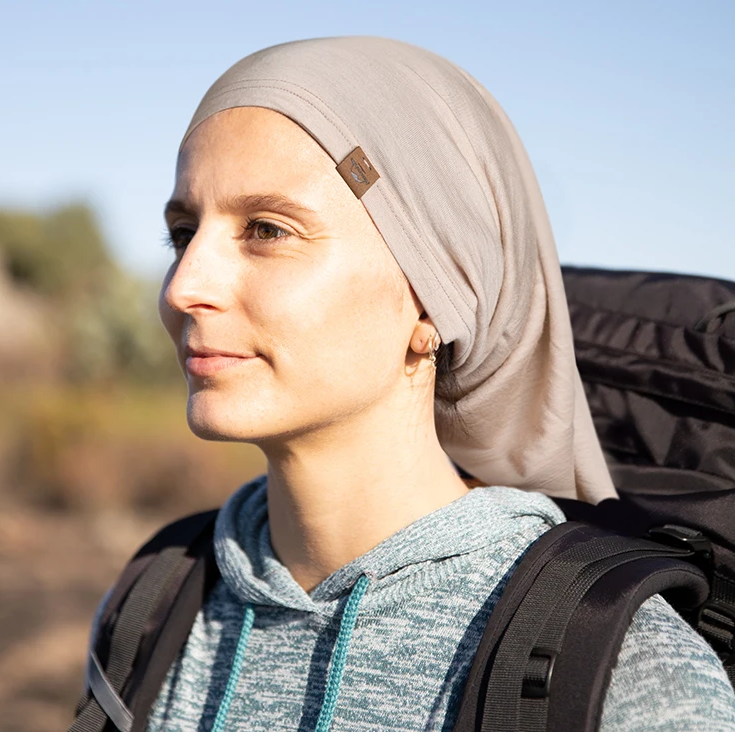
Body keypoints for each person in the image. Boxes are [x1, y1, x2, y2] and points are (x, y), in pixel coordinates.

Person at [108, 37, 735, 730]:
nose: (184, 286)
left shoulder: (632, 677)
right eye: (183, 232)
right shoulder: (157, 603)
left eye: (266, 229)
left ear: (437, 297)